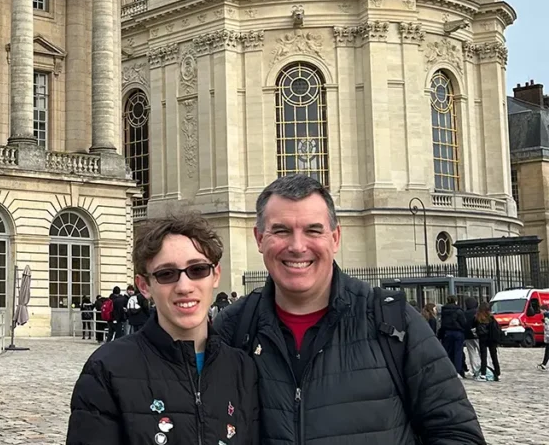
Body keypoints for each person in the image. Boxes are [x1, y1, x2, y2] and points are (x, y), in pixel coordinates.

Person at [214, 174, 484, 445]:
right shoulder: (231, 328)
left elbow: (459, 434)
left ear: (335, 237)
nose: (297, 246)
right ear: (259, 238)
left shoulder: (394, 322)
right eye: (281, 230)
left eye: (313, 230)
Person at [67, 213, 259, 444]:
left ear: (215, 275)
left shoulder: (242, 369)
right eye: (166, 274)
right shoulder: (107, 368)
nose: (184, 286)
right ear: (144, 285)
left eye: (197, 270)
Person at [440, 296, 468, 377]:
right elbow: (463, 322)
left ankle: (448, 369)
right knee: (458, 352)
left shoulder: (444, 310)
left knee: (448, 351)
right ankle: (457, 371)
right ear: (455, 301)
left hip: (447, 332)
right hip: (458, 332)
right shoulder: (459, 311)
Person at [473, 301, 501, 381]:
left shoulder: (477, 317)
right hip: (491, 338)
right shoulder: (491, 318)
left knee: (483, 356)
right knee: (494, 356)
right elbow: (496, 328)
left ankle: (483, 374)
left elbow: (473, 327)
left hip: (482, 338)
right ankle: (498, 373)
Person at [463, 297, 480, 378]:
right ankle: (484, 368)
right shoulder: (478, 312)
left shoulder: (464, 313)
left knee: (471, 353)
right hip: (478, 335)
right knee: (482, 353)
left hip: (468, 335)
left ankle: (475, 370)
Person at [539, 304, 549, 371]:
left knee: (547, 351)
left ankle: (544, 364)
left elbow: (547, 327)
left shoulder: (546, 316)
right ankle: (544, 364)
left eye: (541, 310)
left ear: (544, 310)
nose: (540, 312)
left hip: (548, 336)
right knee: (547, 351)